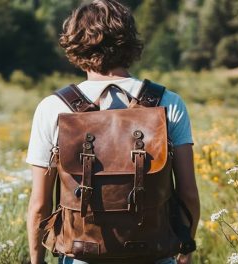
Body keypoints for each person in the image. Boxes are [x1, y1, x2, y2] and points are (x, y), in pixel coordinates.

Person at [25, 1, 200, 263]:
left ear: (75, 43)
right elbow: (188, 193)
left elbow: (40, 206)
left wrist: (37, 261)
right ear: (129, 41)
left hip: (81, 255)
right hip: (154, 253)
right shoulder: (168, 103)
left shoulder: (54, 108)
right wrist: (184, 250)